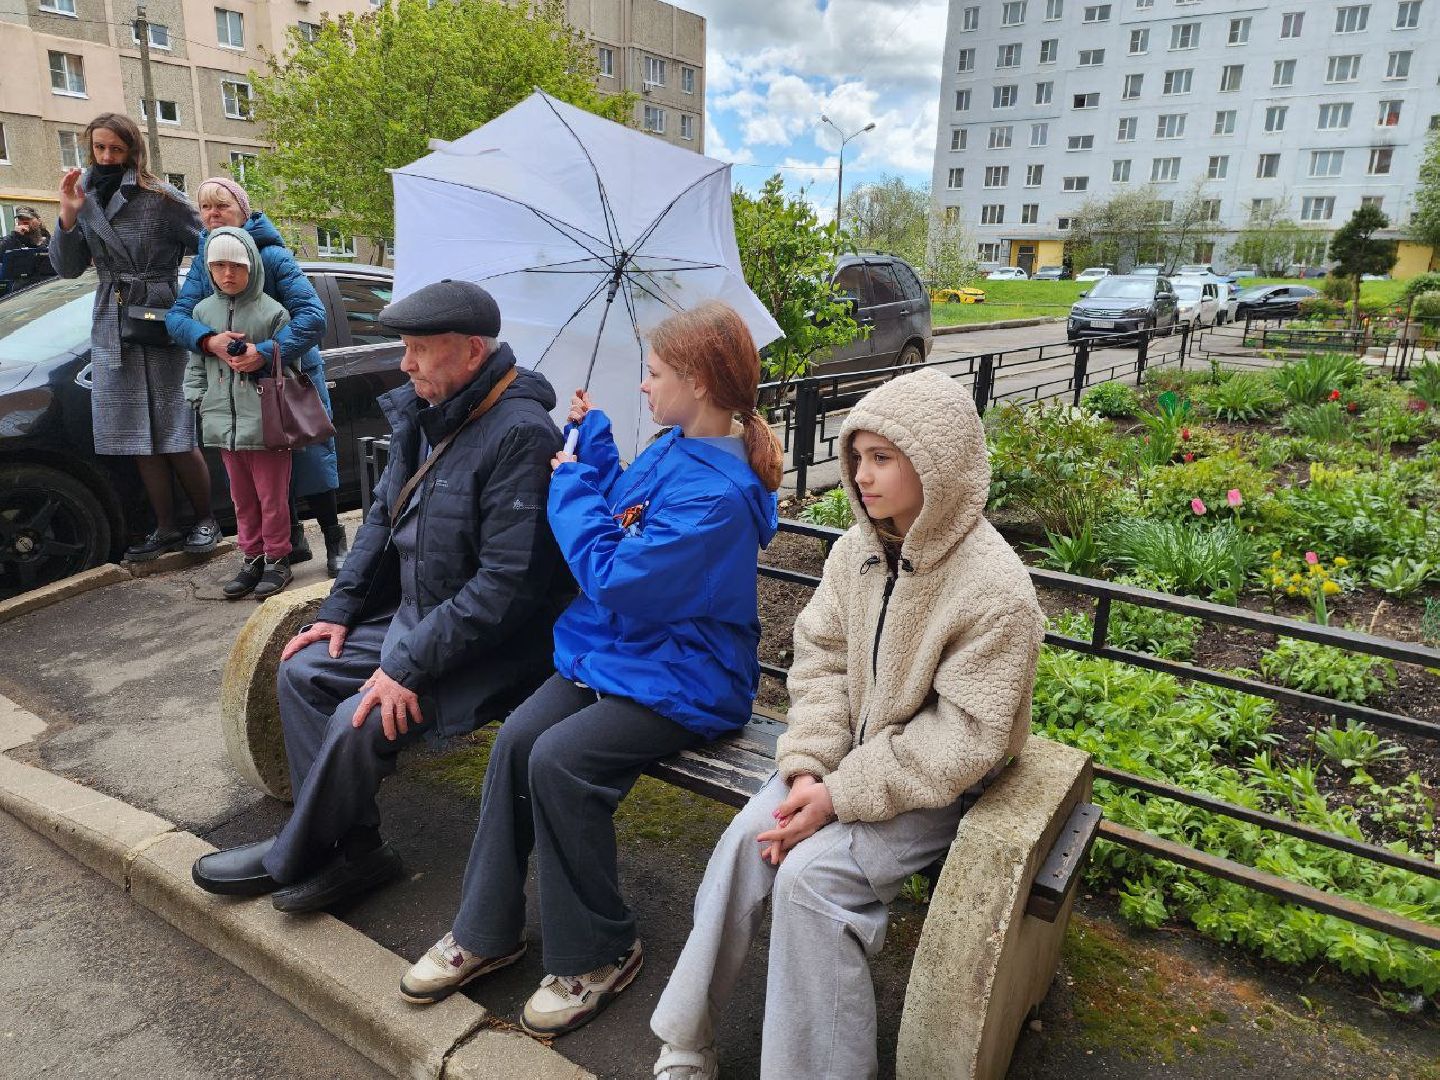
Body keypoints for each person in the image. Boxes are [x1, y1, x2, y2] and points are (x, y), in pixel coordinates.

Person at [398, 301, 784, 1041]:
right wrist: (595, 444)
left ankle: (601, 950)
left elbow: (615, 575)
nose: (644, 385)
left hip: (686, 677)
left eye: (655, 373)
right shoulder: (675, 446)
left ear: (699, 383)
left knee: (560, 762)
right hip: (626, 656)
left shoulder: (720, 496)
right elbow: (628, 510)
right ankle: (484, 929)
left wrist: (569, 482)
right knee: (518, 742)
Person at [648, 367, 1046, 1080]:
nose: (861, 476)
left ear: (938, 462)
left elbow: (963, 735)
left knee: (811, 882)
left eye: (882, 458)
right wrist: (807, 768)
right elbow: (821, 661)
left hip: (937, 791)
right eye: (857, 456)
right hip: (838, 764)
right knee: (747, 841)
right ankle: (685, 1037)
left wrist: (837, 796)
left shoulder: (996, 588)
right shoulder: (855, 552)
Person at [190, 279, 572, 911]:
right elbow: (380, 521)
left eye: (421, 349)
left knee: (358, 716)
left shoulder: (522, 434)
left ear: (472, 351)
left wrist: (405, 666)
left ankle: (296, 852)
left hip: (495, 647)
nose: (406, 364)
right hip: (425, 621)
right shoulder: (430, 413)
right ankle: (355, 851)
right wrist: (339, 610)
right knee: (304, 669)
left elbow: (507, 588)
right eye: (404, 348)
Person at [48, 113, 216, 561]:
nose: (106, 157)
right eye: (99, 147)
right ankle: (166, 528)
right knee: (136, 436)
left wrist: (189, 301)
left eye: (116, 149)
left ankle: (206, 520)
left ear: (132, 150)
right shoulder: (83, 196)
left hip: (160, 319)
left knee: (176, 431)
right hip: (112, 323)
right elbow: (66, 268)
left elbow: (212, 247)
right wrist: (67, 214)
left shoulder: (161, 197)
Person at [166, 177, 348, 577]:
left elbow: (313, 317)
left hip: (292, 374)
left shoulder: (273, 255)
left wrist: (263, 352)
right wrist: (209, 340)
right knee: (264, 471)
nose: (213, 214)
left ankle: (334, 538)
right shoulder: (205, 262)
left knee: (312, 458)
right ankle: (291, 542)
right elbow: (177, 318)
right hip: (237, 382)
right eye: (206, 208)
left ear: (243, 211)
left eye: (222, 206)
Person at [183, 226, 296, 600]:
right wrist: (199, 398)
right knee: (242, 499)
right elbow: (195, 365)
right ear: (209, 269)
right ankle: (252, 557)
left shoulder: (272, 312)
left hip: (266, 424)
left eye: (237, 265)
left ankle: (277, 557)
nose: (228, 273)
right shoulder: (203, 312)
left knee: (272, 498)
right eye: (219, 266)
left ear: (252, 267)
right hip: (224, 425)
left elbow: (292, 367)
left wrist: (260, 360)